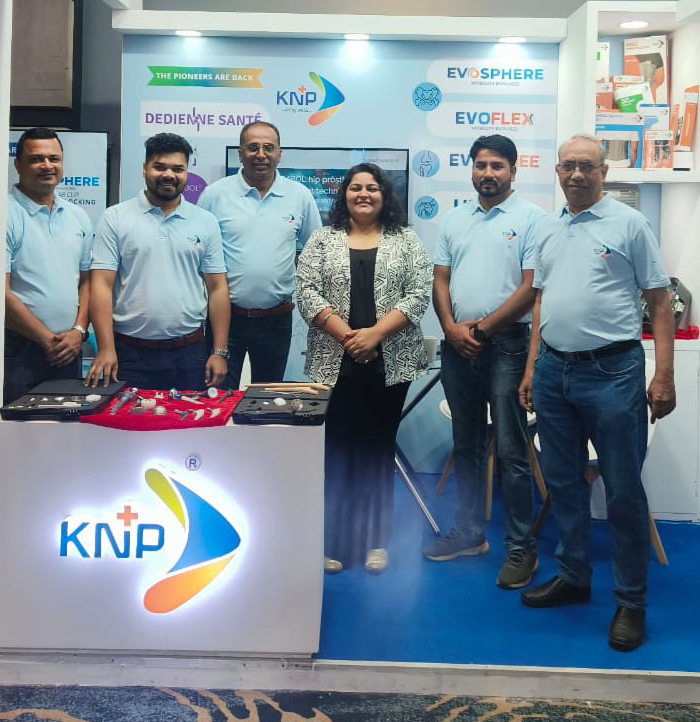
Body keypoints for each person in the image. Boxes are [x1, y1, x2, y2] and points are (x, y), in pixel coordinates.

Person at [518, 134, 675, 652]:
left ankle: (631, 601)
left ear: (603, 173)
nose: (577, 174)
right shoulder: (549, 227)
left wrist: (664, 375)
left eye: (587, 166)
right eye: (569, 166)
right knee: (564, 483)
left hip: (613, 373)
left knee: (624, 492)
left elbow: (659, 302)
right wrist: (532, 367)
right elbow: (541, 302)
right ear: (557, 172)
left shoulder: (630, 224)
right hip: (553, 372)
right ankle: (574, 576)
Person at [296, 162, 432, 575]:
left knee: (376, 451)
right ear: (345, 195)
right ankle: (334, 542)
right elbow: (306, 292)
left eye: (372, 187)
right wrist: (349, 337)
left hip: (390, 362)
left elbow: (418, 294)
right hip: (332, 362)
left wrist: (373, 335)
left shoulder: (406, 240)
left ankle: (376, 541)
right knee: (337, 452)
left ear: (384, 195)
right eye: (356, 187)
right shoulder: (322, 240)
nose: (364, 194)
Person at [422, 134, 543, 589]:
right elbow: (440, 279)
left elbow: (531, 289)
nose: (488, 173)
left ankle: (521, 548)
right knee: (467, 445)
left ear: (513, 170)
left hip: (507, 345)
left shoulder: (532, 219)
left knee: (511, 450)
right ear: (471, 169)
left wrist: (483, 329)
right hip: (458, 344)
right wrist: (451, 328)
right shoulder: (455, 219)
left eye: (497, 166)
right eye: (480, 165)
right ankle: (469, 534)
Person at [85, 133, 230, 390]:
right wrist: (106, 348)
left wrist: (219, 351)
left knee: (191, 417)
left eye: (178, 169)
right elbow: (101, 286)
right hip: (129, 354)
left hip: (190, 354)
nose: (168, 175)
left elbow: (217, 288)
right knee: (126, 417)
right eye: (159, 167)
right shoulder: (115, 218)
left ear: (186, 172)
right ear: (145, 169)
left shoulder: (205, 222)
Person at [197, 120, 321, 387]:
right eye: (253, 147)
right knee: (219, 394)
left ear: (279, 154)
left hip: (276, 319)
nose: (261, 155)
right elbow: (199, 257)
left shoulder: (299, 196)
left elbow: (314, 252)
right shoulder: (214, 195)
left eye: (268, 147)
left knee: (267, 395)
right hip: (225, 319)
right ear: (241, 154)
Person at [5, 127, 93, 403]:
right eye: (36, 159)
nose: (47, 165)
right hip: (18, 350)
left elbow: (86, 281)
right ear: (18, 165)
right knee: (16, 424)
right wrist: (46, 339)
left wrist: (79, 331)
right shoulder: (2, 214)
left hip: (69, 347)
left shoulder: (78, 216)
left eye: (54, 159)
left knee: (65, 424)